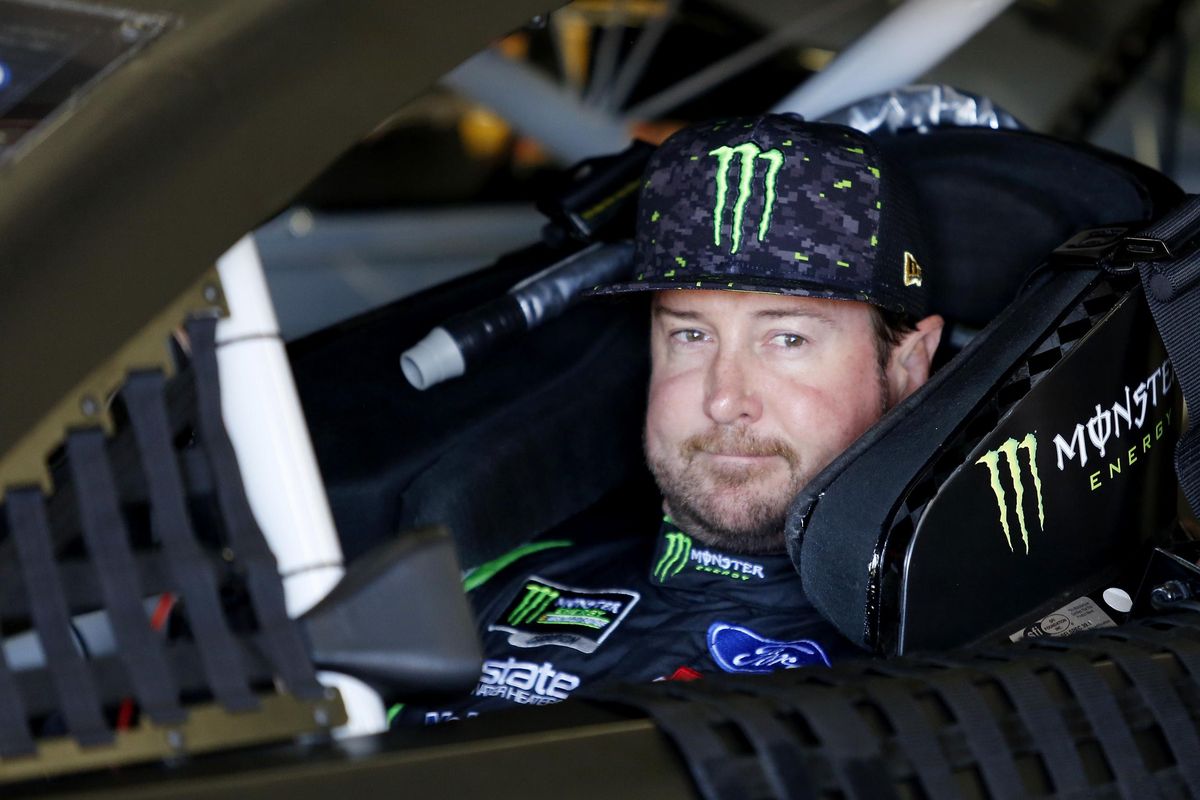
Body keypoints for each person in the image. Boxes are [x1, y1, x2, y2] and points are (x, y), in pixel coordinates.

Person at [400, 113, 943, 726]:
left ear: (907, 365)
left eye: (787, 339)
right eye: (691, 333)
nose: (724, 397)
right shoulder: (488, 584)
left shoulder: (964, 662)